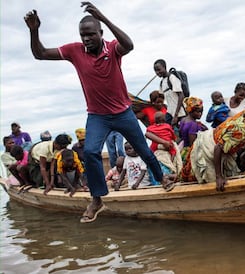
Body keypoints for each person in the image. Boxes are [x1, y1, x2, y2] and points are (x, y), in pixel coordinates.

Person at [25, 2, 175, 223]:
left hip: (123, 112)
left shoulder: (113, 48)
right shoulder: (74, 51)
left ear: (100, 33)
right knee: (92, 152)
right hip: (97, 116)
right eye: (83, 35)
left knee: (143, 149)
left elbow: (129, 44)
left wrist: (102, 17)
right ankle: (97, 199)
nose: (86, 39)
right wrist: (34, 30)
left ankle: (162, 178)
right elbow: (40, 54)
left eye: (90, 34)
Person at [188, 97, 245, 191]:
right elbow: (218, 148)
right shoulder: (242, 129)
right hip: (209, 148)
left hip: (221, 147)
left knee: (231, 176)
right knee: (210, 182)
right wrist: (219, 176)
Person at [145, 112, 183, 177]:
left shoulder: (150, 128)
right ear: (164, 119)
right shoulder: (167, 126)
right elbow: (172, 135)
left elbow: (147, 133)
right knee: (173, 151)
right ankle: (171, 162)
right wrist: (172, 139)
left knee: (152, 151)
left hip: (156, 145)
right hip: (168, 143)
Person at [154, 59, 186, 126]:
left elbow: (181, 95)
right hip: (170, 112)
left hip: (180, 113)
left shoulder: (172, 78)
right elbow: (161, 97)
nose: (157, 72)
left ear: (164, 67)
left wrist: (176, 115)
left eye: (159, 69)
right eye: (156, 71)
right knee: (165, 129)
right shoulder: (162, 82)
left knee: (182, 133)